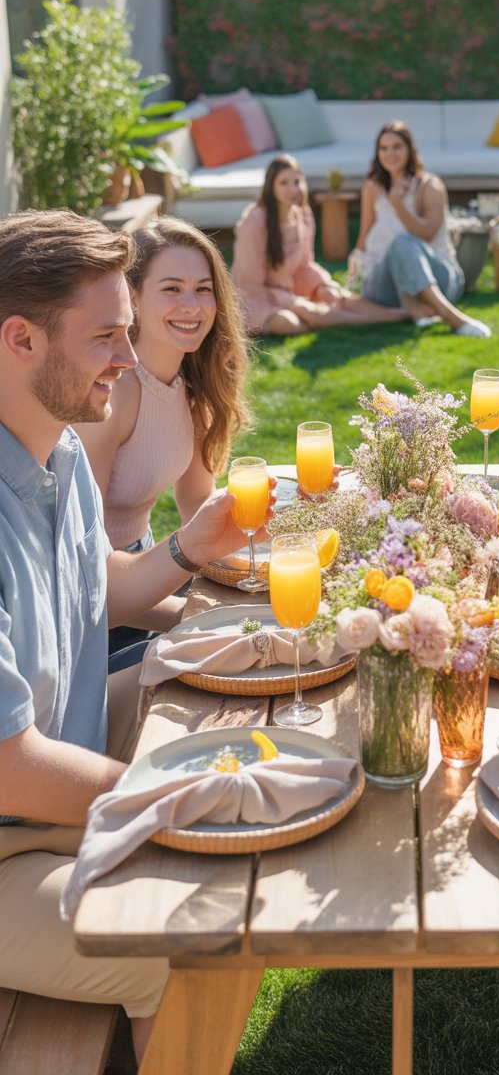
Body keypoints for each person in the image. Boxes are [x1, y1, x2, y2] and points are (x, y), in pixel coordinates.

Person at [0, 209, 275, 1064]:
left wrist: (195, 545)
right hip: (12, 834)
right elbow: (7, 763)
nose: (130, 358)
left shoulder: (57, 454)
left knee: (222, 706)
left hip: (54, 780)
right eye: (107, 337)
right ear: (20, 339)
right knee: (199, 941)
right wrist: (176, 799)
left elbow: (102, 593)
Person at [77, 217, 251, 648]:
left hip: (151, 564)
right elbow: (85, 570)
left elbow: (196, 500)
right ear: (133, 297)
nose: (192, 305)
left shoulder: (190, 387)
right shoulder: (113, 395)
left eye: (203, 288)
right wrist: (191, 615)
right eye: (172, 289)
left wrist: (255, 566)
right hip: (98, 603)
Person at [232, 154, 406, 335]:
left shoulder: (303, 214)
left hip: (292, 289)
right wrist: (290, 302)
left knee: (337, 295)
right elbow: (249, 284)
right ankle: (377, 319)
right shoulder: (255, 222)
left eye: (296, 181)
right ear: (271, 187)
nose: (292, 189)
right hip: (259, 298)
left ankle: (396, 314)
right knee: (291, 323)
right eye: (283, 183)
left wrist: (323, 286)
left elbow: (304, 265)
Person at [354, 121, 491, 337]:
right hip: (387, 286)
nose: (390, 153)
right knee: (395, 248)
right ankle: (415, 309)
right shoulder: (372, 188)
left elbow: (427, 233)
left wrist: (398, 205)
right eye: (384, 148)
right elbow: (365, 232)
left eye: (397, 146)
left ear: (410, 149)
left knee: (401, 243)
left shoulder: (430, 186)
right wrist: (355, 263)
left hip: (440, 281)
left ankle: (450, 316)